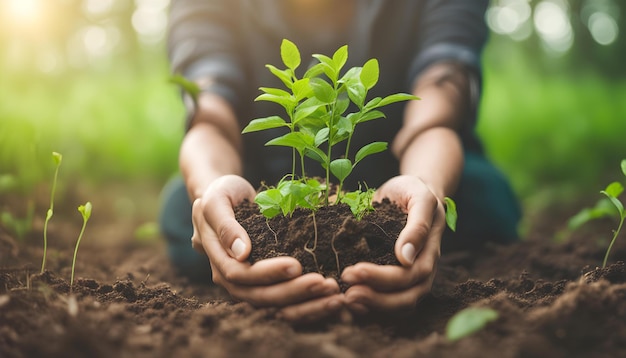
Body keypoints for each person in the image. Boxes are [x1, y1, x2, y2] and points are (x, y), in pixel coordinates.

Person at [160, 0, 521, 322]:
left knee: (482, 197)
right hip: (270, 187)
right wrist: (213, 192)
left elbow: (439, 102)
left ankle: (410, 233)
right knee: (186, 206)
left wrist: (426, 187)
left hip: (402, 172)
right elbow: (209, 118)